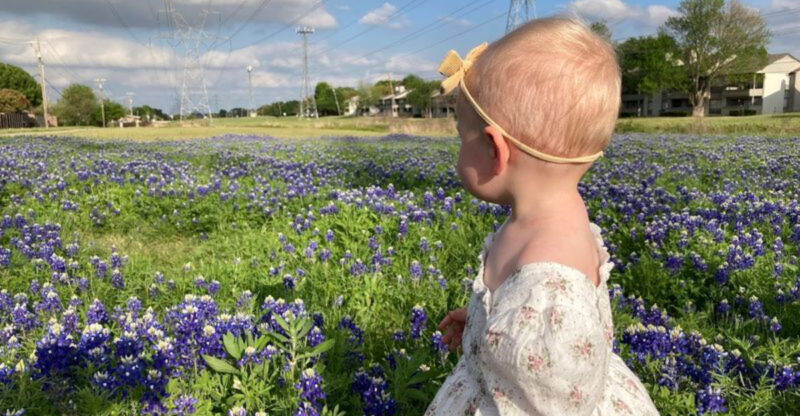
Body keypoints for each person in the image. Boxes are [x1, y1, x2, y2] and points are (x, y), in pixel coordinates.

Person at [426, 17, 659, 415]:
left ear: (494, 149)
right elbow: (534, 334)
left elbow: (557, 394)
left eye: (459, 136)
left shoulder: (550, 278)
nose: (457, 148)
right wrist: (493, 334)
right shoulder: (556, 219)